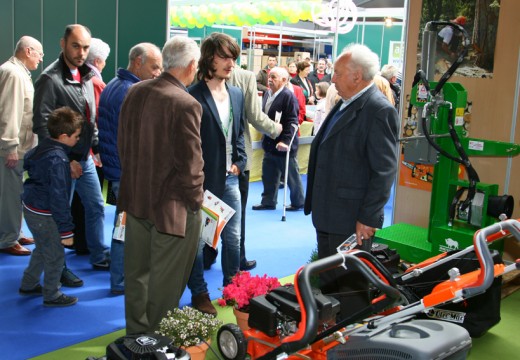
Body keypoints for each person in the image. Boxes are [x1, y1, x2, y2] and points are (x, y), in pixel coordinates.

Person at [304, 44, 399, 321]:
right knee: (330, 282)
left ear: (357, 76)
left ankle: (352, 341)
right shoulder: (346, 102)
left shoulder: (377, 110)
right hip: (330, 213)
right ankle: (335, 334)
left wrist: (368, 218)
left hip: (351, 219)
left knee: (349, 288)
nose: (332, 78)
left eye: (337, 73)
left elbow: (384, 171)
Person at [117, 35, 204, 334]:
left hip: (134, 198)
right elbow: (191, 165)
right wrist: (196, 202)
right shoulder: (186, 103)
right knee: (166, 282)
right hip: (173, 208)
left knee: (137, 273)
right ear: (192, 65)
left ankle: (136, 336)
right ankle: (156, 342)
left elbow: (122, 144)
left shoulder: (135, 91)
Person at [32, 24, 110, 279]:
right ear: (63, 44)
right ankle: (59, 267)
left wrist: (95, 147)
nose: (81, 52)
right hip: (61, 162)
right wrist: (64, 162)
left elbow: (89, 118)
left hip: (84, 157)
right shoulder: (49, 79)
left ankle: (99, 255)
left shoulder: (87, 75)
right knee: (60, 215)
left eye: (85, 47)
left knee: (96, 206)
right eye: (75, 45)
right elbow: (42, 125)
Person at [187, 32, 247, 315]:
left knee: (232, 238)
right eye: (224, 57)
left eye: (233, 58)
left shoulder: (236, 93)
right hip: (201, 181)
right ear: (208, 58)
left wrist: (241, 160)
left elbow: (239, 134)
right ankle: (199, 293)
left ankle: (232, 286)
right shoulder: (192, 95)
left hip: (231, 178)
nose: (230, 63)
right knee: (198, 241)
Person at [98, 42, 162, 295]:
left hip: (118, 171)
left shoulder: (114, 85)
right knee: (124, 229)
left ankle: (121, 278)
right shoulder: (130, 91)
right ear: (137, 62)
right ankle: (121, 281)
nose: (158, 72)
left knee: (123, 227)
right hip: (128, 175)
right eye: (154, 66)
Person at [19, 107, 83, 307]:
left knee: (43, 247)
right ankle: (52, 294)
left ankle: (28, 283)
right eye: (76, 136)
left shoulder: (45, 146)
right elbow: (58, 198)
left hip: (32, 207)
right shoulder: (58, 160)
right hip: (44, 213)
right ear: (64, 136)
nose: (78, 139)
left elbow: (28, 158)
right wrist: (66, 230)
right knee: (55, 254)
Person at [228, 67, 282, 271]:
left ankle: (209, 253)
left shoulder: (201, 73)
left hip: (212, 158)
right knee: (238, 211)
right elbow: (254, 115)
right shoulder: (245, 77)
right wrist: (276, 129)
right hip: (240, 157)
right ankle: (238, 258)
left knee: (210, 209)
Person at [0, 36, 43, 256]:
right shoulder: (13, 74)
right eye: (39, 54)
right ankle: (7, 239)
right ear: (28, 51)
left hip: (19, 147)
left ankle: (13, 233)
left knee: (14, 192)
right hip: (12, 150)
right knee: (9, 194)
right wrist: (10, 148)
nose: (41, 59)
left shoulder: (18, 73)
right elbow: (10, 112)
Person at [252, 67, 305, 211]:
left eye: (273, 77)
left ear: (284, 80)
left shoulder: (289, 96)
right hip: (270, 143)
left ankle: (298, 202)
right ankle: (268, 201)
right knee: (268, 176)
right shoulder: (267, 94)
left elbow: (293, 122)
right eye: (269, 76)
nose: (269, 79)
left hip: (283, 145)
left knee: (291, 177)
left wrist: (286, 141)